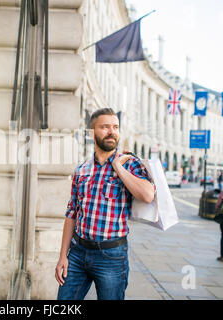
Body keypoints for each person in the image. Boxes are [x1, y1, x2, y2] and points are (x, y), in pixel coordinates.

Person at [55, 108, 155, 300]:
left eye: (115, 127)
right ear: (92, 133)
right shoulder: (81, 170)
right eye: (105, 127)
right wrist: (62, 256)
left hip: (111, 256)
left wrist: (118, 167)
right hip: (77, 253)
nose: (112, 131)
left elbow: (148, 195)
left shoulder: (129, 163)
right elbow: (72, 214)